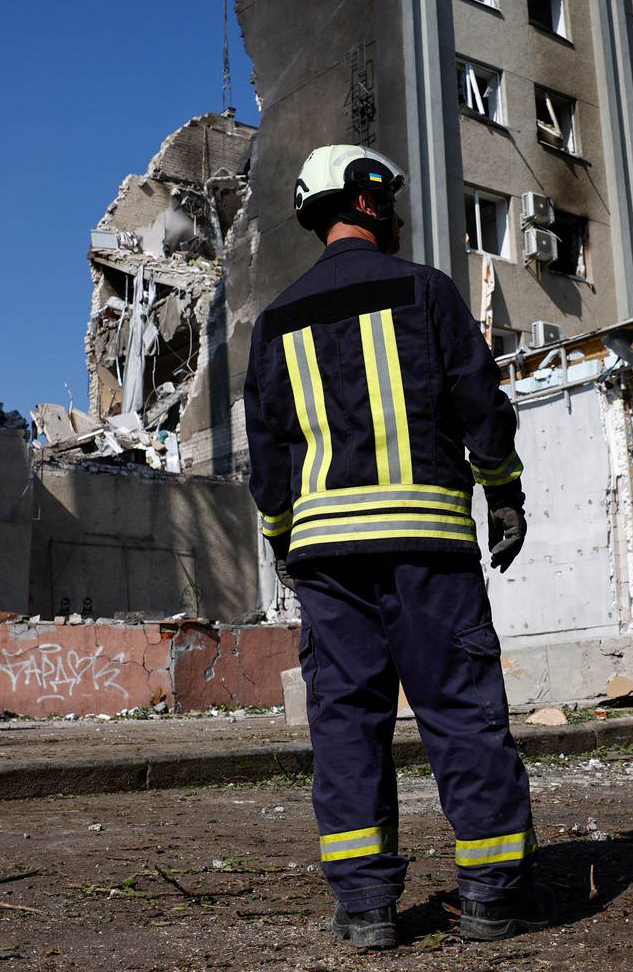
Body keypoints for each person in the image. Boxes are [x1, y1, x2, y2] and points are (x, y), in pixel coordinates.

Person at [243, 143, 553, 950]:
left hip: (324, 558)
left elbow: (268, 452)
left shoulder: (274, 322)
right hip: (428, 546)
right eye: (392, 194)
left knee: (345, 725)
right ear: (369, 199)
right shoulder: (426, 290)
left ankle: (366, 909)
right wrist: (505, 495)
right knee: (459, 713)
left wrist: (282, 539)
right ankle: (489, 898)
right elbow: (481, 403)